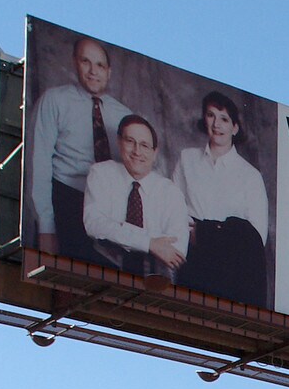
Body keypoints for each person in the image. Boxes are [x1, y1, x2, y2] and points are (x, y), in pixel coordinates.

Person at [27, 36, 132, 260]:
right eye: (86, 62)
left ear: (109, 71)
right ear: (75, 62)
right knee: (66, 285)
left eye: (100, 65)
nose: (93, 71)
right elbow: (39, 163)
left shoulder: (124, 115)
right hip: (66, 200)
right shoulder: (54, 100)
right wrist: (46, 227)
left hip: (108, 210)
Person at [174, 90, 271, 305]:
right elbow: (173, 207)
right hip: (193, 257)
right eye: (211, 115)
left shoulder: (250, 175)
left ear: (235, 127)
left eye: (224, 118)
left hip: (229, 268)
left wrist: (215, 238)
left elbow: (256, 238)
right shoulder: (187, 158)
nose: (217, 124)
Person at [82, 115, 189, 276]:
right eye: (130, 141)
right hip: (104, 271)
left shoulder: (170, 191)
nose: (137, 151)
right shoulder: (101, 173)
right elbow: (94, 224)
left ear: (155, 152)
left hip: (154, 280)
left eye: (145, 145)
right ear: (119, 143)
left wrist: (116, 231)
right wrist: (150, 244)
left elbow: (176, 251)